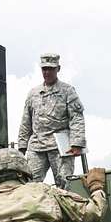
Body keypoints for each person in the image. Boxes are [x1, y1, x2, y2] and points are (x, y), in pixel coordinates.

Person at [17, 53, 87, 188]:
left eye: (50, 68)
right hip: (37, 145)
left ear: (58, 69)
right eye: (44, 69)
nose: (47, 72)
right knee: (29, 184)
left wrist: (77, 143)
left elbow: (76, 117)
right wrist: (22, 147)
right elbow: (26, 121)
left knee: (64, 183)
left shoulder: (67, 91)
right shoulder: (33, 93)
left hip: (60, 145)